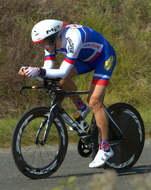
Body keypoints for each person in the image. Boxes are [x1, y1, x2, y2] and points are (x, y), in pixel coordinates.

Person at [18, 19, 116, 168]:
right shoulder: (51, 42)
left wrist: (40, 71)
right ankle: (82, 108)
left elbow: (63, 71)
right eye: (39, 44)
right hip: (85, 59)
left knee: (95, 101)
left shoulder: (73, 37)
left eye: (43, 43)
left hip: (103, 57)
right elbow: (48, 70)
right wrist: (33, 72)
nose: (43, 47)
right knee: (60, 82)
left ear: (54, 37)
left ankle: (105, 148)